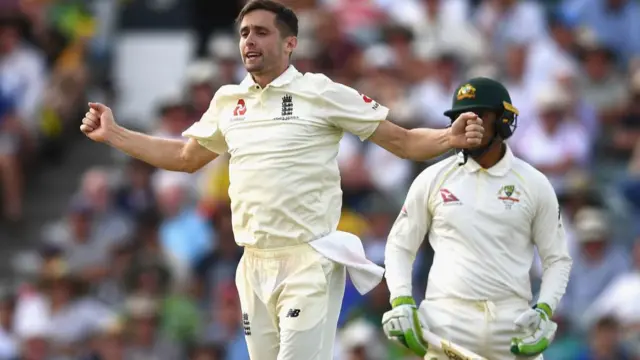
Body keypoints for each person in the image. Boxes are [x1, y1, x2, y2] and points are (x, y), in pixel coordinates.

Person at [79, 1, 484, 359]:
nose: (249, 41)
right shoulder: (227, 101)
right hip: (252, 262)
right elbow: (185, 158)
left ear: (290, 43)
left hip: (308, 259)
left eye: (261, 32)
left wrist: (450, 137)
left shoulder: (321, 92)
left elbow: (404, 141)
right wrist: (116, 134)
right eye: (243, 33)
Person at [382, 77, 573, 360]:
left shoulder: (534, 183)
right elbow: (400, 245)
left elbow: (557, 258)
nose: (467, 124)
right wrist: (400, 299)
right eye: (460, 117)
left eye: (479, 116)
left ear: (504, 120)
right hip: (446, 319)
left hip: (512, 324)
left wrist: (544, 308)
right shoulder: (433, 178)